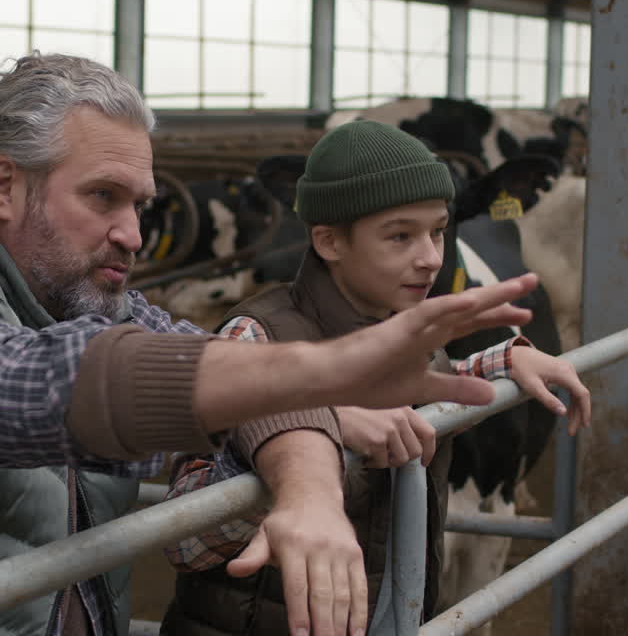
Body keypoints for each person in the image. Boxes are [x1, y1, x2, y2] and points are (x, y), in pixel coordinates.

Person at [0, 53, 543, 636]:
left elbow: (225, 371)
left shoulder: (82, 296)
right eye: (103, 197)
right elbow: (23, 388)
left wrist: (308, 483)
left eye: (141, 204)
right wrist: (332, 373)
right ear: (4, 187)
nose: (132, 234)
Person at [159, 120, 593, 636]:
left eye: (438, 231)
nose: (432, 258)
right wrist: (320, 435)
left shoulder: (403, 332)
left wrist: (506, 360)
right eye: (400, 236)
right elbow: (183, 537)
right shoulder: (256, 337)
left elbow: (422, 385)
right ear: (329, 241)